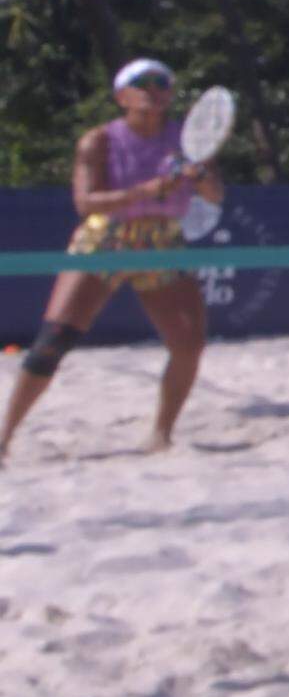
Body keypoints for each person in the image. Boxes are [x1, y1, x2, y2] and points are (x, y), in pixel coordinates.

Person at [0, 58, 224, 463]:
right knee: (52, 342)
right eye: (144, 83)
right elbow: (86, 203)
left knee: (189, 344)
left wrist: (200, 177)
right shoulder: (99, 140)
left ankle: (161, 434)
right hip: (107, 237)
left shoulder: (187, 140)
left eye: (164, 83)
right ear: (122, 96)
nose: (156, 90)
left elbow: (215, 196)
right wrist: (148, 189)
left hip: (162, 240)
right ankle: (4, 438)